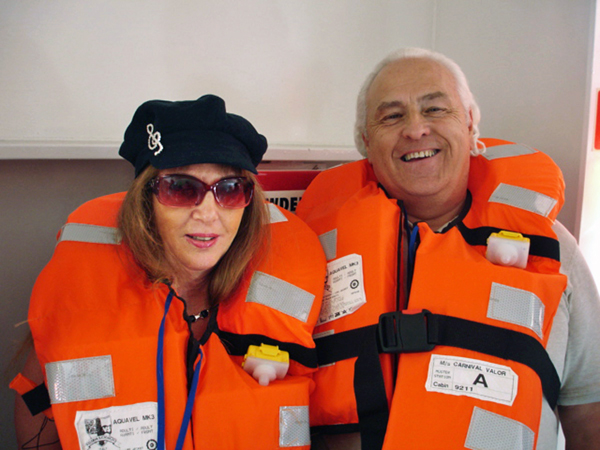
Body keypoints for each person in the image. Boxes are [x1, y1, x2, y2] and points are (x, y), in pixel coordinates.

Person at [296, 48, 600, 449]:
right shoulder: (311, 253)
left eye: (436, 109)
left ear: (472, 126)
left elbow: (588, 407)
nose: (416, 129)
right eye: (392, 116)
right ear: (366, 143)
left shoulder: (554, 250)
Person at [12, 94, 326, 450]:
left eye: (230, 190)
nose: (208, 213)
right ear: (145, 199)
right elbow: (37, 411)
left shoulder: (293, 290)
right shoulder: (83, 295)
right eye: (181, 188)